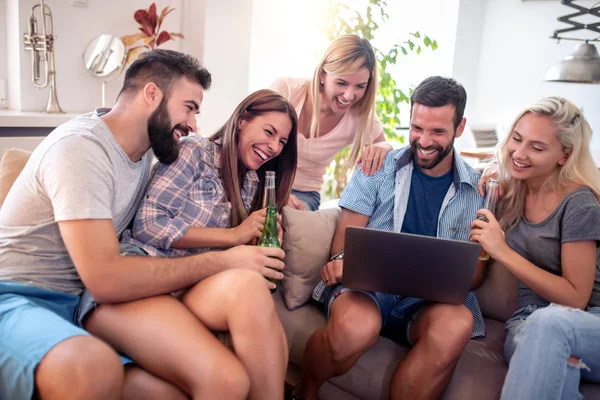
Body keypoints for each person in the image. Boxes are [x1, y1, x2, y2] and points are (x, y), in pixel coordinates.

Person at [0, 50, 288, 400]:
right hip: (19, 297)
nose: (194, 124)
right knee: (91, 369)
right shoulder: (81, 150)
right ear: (151, 94)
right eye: (189, 107)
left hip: (76, 304)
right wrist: (226, 255)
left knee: (214, 384)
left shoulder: (146, 153)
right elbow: (107, 279)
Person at [83, 89, 298, 399]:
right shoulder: (194, 150)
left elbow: (226, 260)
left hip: (189, 283)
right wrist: (235, 235)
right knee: (227, 381)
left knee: (251, 289)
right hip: (143, 275)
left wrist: (256, 239)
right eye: (269, 132)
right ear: (243, 120)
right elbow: (148, 225)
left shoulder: (251, 182)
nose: (274, 147)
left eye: (282, 142)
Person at [290, 76, 488, 400]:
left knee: (458, 322)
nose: (423, 141)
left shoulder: (478, 190)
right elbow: (344, 238)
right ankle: (304, 392)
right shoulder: (378, 166)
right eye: (417, 128)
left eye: (437, 131)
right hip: (369, 288)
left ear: (460, 126)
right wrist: (343, 262)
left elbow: (477, 274)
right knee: (355, 328)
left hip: (430, 304)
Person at [469, 96, 600, 400]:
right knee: (552, 356)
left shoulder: (579, 203)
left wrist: (503, 251)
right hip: (526, 323)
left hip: (588, 321)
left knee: (548, 325)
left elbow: (575, 298)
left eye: (537, 148)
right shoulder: (512, 188)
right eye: (516, 139)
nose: (519, 153)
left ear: (564, 156)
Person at [271, 34, 393, 211]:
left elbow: (388, 152)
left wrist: (385, 146)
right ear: (322, 74)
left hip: (304, 194)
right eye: (342, 83)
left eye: (360, 86)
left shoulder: (361, 117)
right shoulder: (286, 90)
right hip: (263, 182)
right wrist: (278, 195)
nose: (350, 95)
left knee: (288, 221)